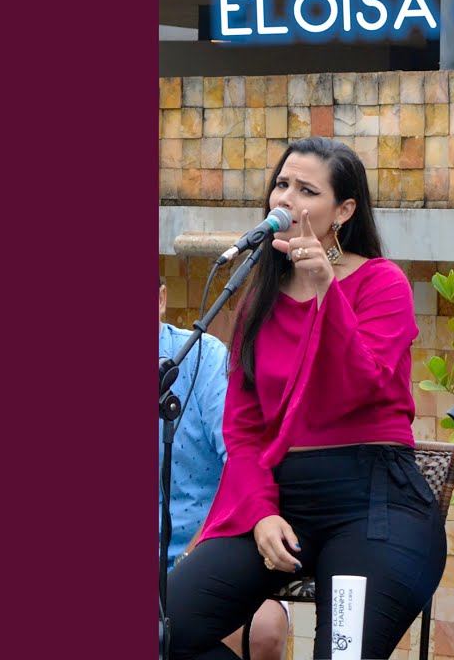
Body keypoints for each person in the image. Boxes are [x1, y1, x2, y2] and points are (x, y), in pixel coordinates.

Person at [166, 137, 447, 660]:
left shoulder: (381, 283)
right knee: (165, 630)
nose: (286, 199)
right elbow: (243, 430)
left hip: (372, 504)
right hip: (284, 503)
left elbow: (360, 386)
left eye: (306, 190)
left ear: (343, 210)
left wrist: (325, 290)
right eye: (281, 184)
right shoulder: (258, 300)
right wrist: (260, 512)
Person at [159, 277, 289, 660]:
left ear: (161, 299)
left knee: (264, 630)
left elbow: (242, 460)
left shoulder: (202, 359)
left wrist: (186, 563)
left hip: (209, 555)